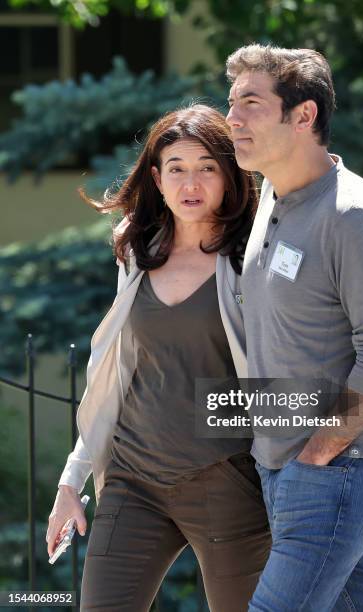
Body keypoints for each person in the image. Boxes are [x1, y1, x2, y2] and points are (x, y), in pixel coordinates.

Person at [46, 104, 271, 611]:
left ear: (230, 175)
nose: (191, 183)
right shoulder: (137, 250)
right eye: (177, 169)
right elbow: (115, 377)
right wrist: (71, 479)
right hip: (134, 480)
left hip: (225, 480)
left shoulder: (251, 259)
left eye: (207, 167)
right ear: (157, 177)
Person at [225, 45, 363, 611]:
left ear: (303, 115)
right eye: (231, 102)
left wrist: (316, 456)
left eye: (251, 103)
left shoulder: (349, 214)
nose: (232, 118)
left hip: (340, 468)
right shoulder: (271, 197)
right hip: (283, 465)